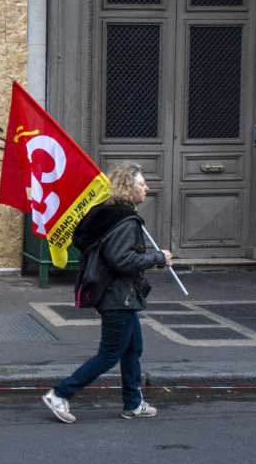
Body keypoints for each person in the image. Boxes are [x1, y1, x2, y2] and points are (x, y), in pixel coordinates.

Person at [42, 162, 172, 423]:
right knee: (110, 353)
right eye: (141, 184)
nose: (147, 188)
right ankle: (59, 394)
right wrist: (157, 257)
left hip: (119, 294)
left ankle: (133, 404)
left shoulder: (111, 214)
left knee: (133, 348)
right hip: (118, 295)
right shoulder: (125, 220)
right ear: (128, 187)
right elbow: (121, 260)